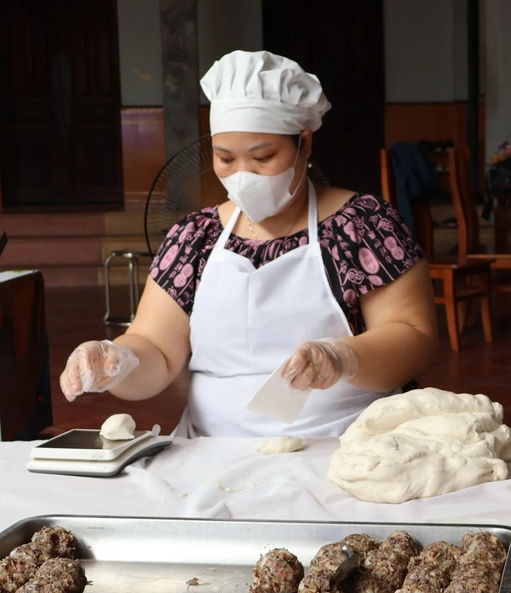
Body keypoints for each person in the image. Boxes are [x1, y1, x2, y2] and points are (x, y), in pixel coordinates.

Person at [61, 50, 436, 437]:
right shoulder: (195, 239)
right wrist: (116, 360)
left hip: (344, 446)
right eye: (225, 159)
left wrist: (342, 357)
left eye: (263, 157)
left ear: (304, 144)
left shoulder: (362, 226)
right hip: (213, 452)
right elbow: (155, 348)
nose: (243, 175)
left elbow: (414, 338)